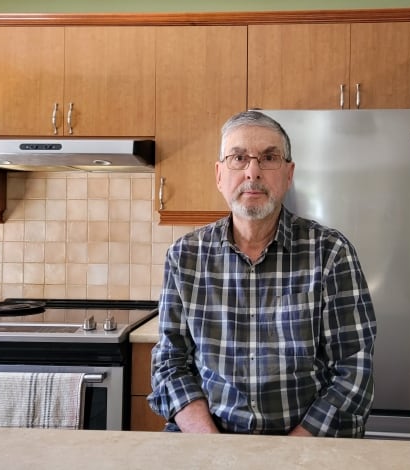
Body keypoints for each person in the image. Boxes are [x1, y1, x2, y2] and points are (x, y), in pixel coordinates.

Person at [148, 110, 377, 438]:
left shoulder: (330, 253)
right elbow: (170, 363)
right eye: (238, 158)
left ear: (288, 174)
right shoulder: (185, 256)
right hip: (206, 441)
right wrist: (212, 447)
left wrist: (291, 453)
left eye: (269, 158)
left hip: (304, 446)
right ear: (219, 175)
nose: (252, 172)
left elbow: (353, 369)